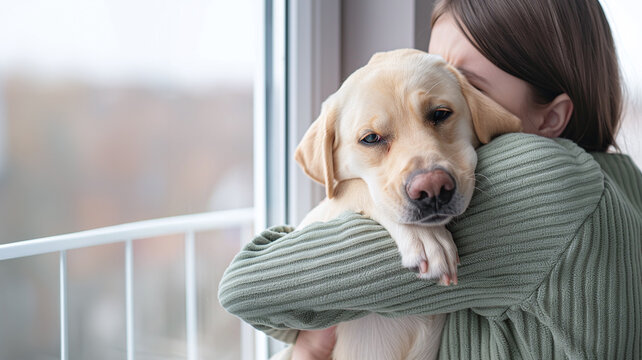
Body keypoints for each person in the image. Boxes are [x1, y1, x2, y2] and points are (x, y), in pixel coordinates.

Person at [218, 0, 642, 359]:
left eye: (444, 109)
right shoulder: (621, 182)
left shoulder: (539, 177)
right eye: (435, 69)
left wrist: (309, 344)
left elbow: (250, 286)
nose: (453, 88)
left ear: (550, 118)